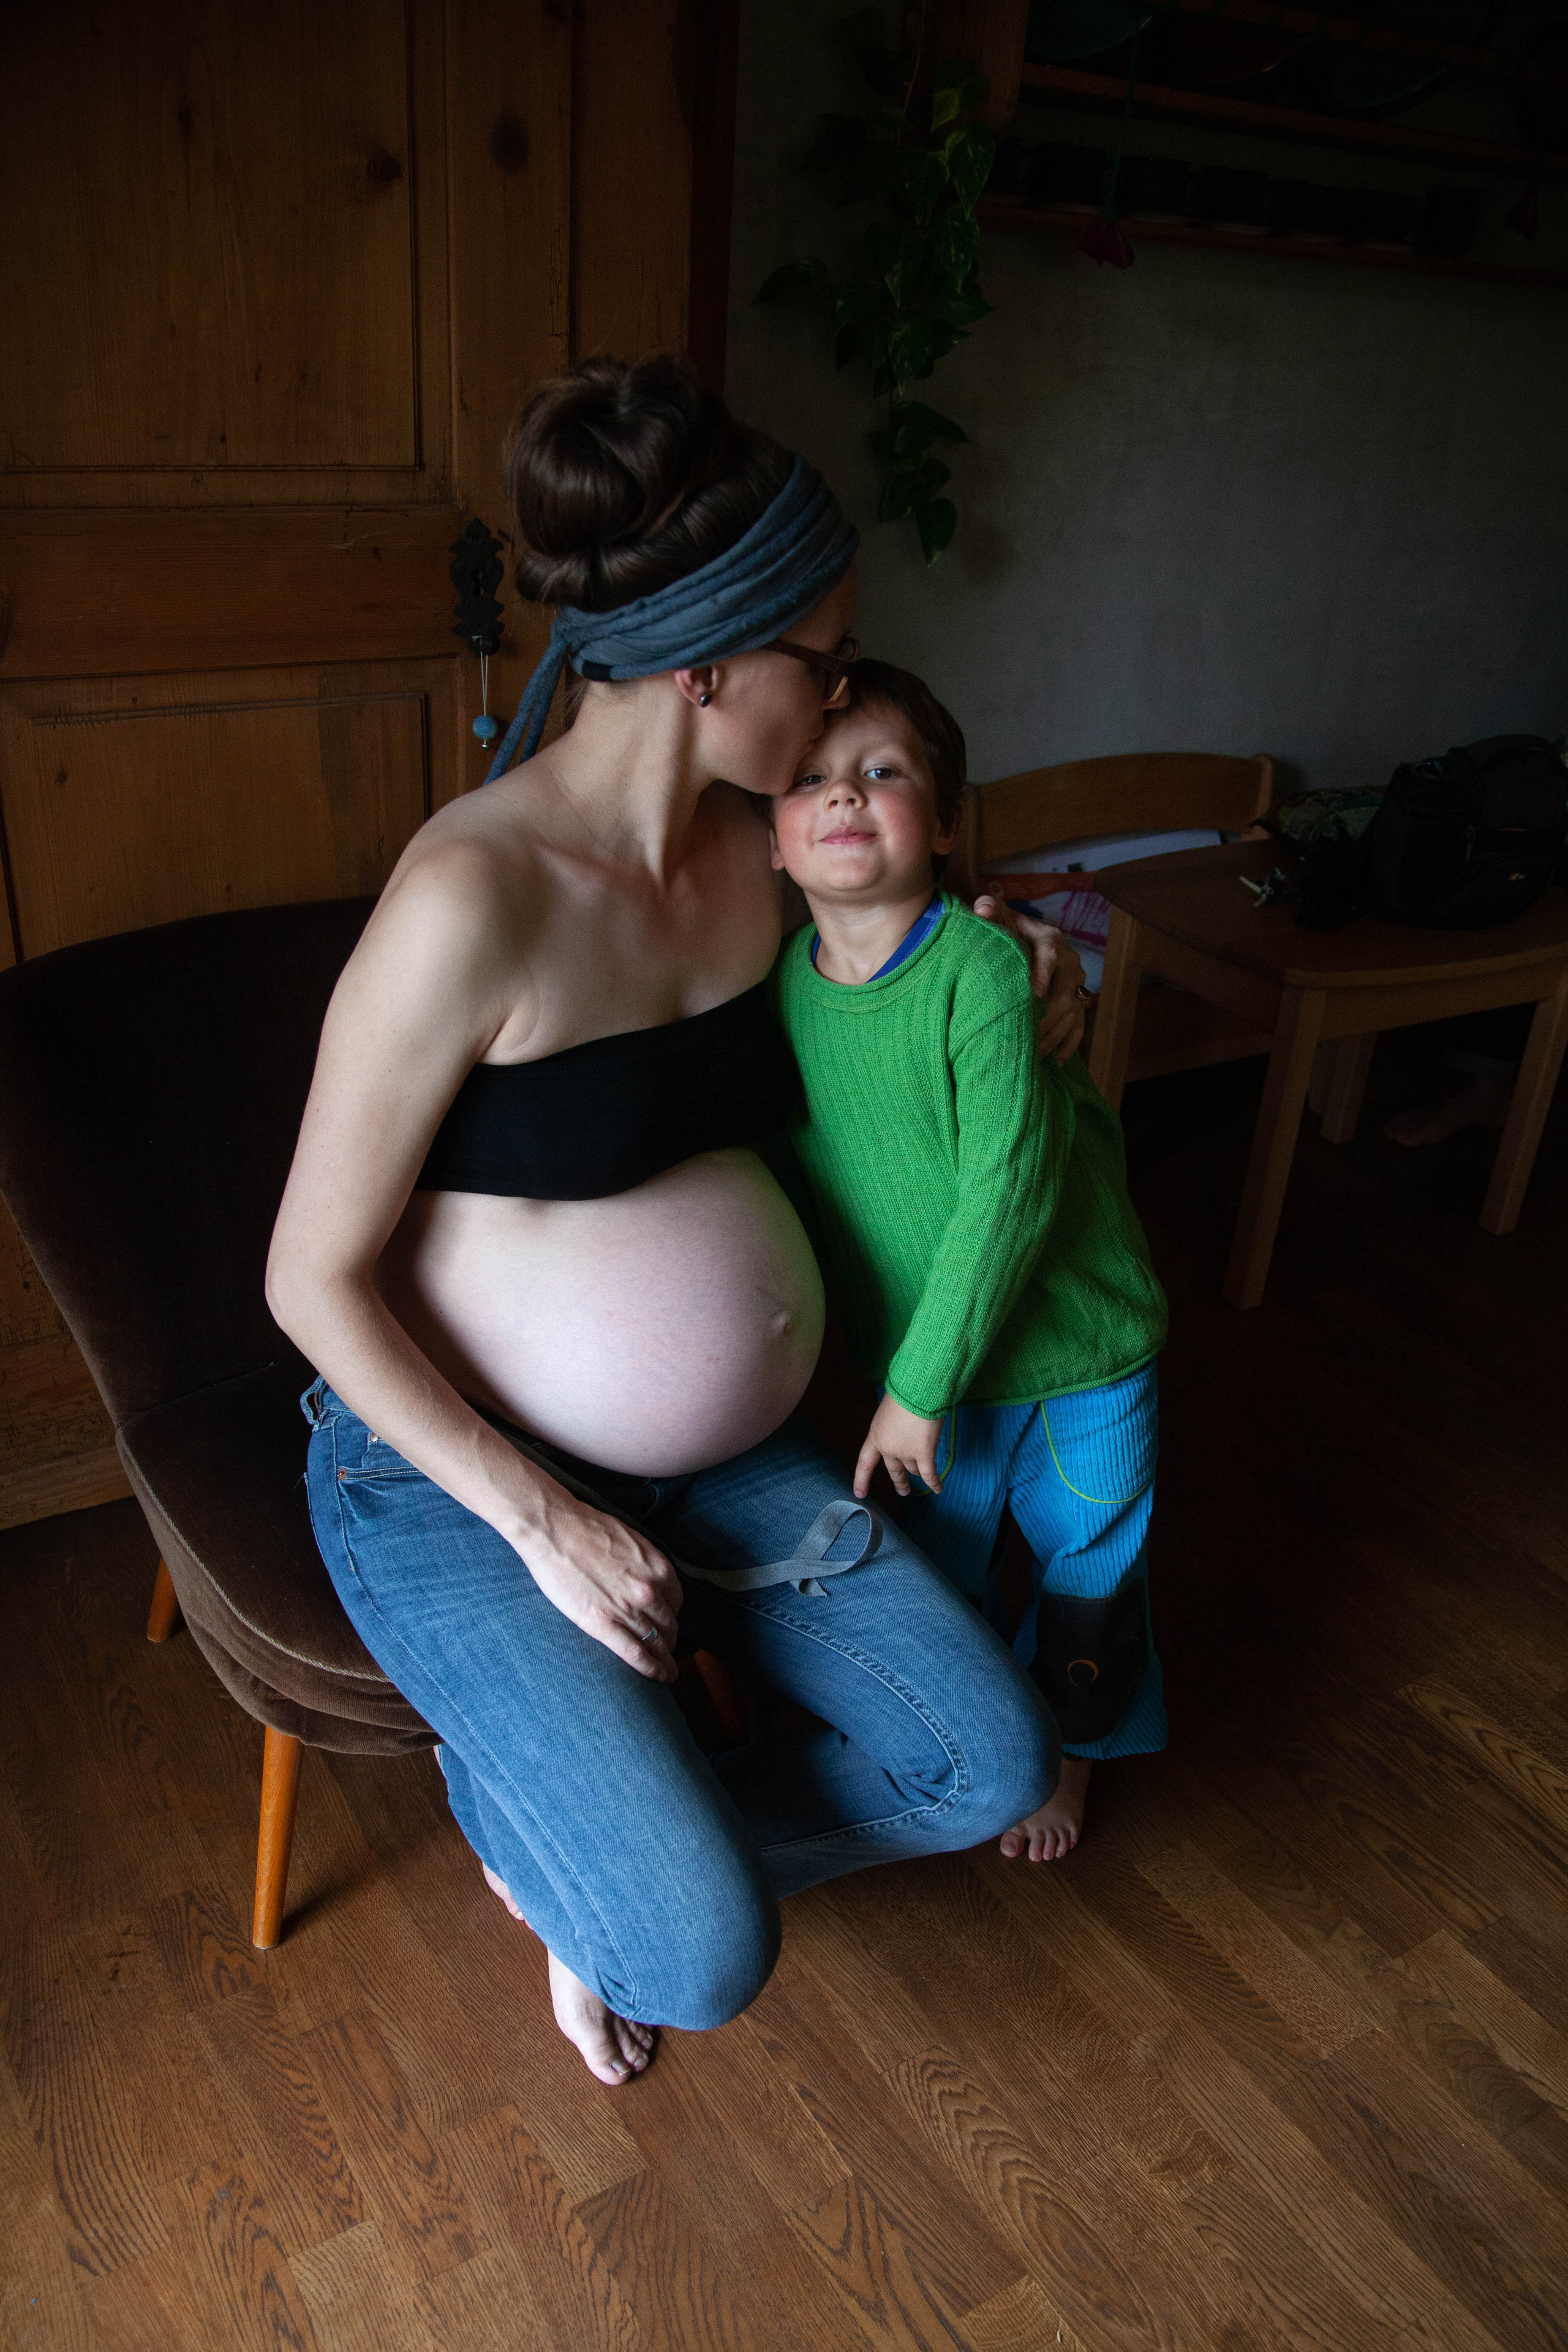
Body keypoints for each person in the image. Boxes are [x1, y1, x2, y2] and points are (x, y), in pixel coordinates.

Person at [266, 358, 1088, 2087]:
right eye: (827, 654)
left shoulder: (750, 856)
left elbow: (885, 1009)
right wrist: (549, 1524)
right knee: (704, 1964)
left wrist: (1009, 994)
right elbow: (307, 1279)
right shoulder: (470, 897)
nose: (847, 688)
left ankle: (607, 1840)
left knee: (994, 1764)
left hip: (722, 1470)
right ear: (713, 668)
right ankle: (578, 1847)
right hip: (459, 1479)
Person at [767, 660, 1169, 1866]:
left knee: (1087, 1568)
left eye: (882, 774)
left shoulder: (984, 972)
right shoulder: (782, 987)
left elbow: (1007, 1193)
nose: (846, 797)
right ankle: (972, 1730)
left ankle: (1069, 1754)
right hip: (930, 1367)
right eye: (810, 780)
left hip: (1072, 1349)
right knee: (939, 1564)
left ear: (941, 825)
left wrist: (913, 1384)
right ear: (772, 835)